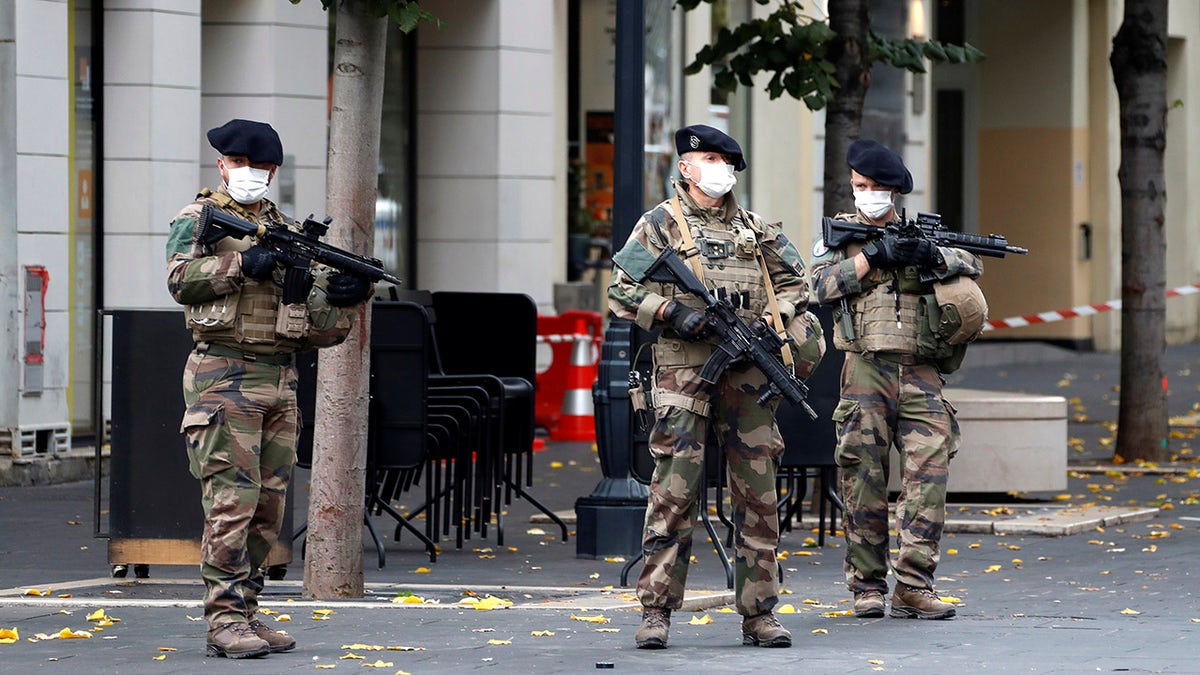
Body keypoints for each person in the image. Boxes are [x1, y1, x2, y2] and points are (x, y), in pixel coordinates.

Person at [165, 119, 373, 659]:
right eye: (241, 165)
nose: (251, 175)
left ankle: (248, 612)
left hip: (279, 379)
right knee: (230, 503)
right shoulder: (199, 219)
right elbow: (179, 281)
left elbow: (321, 329)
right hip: (223, 378)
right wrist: (241, 264)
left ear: (274, 172)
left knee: (268, 509)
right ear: (222, 165)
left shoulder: (287, 232)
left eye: (261, 168)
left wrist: (346, 296)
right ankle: (223, 620)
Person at [609, 124, 812, 649]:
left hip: (746, 377)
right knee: (674, 494)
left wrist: (775, 316)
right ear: (686, 166)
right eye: (710, 158)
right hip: (684, 374)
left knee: (758, 495)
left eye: (726, 159)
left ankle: (759, 613)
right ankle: (656, 611)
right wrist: (673, 311)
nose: (719, 168)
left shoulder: (755, 228)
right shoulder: (659, 225)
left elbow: (798, 283)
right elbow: (620, 291)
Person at [810, 139, 986, 621]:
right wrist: (874, 257)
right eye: (861, 185)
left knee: (928, 475)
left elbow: (974, 261)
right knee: (862, 476)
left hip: (922, 371)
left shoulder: (920, 233)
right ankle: (867, 586)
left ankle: (913, 584)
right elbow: (818, 286)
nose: (868, 194)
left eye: (878, 187)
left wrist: (932, 256)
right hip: (865, 368)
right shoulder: (839, 237)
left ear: (895, 191)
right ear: (851, 184)